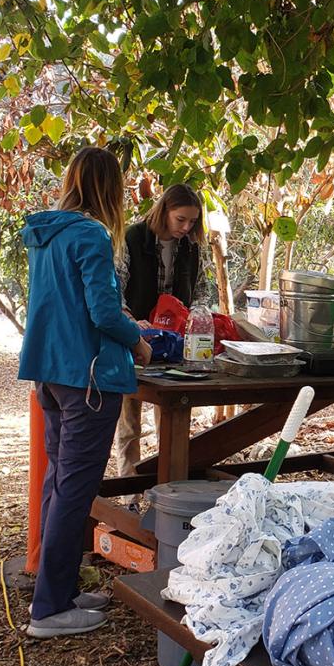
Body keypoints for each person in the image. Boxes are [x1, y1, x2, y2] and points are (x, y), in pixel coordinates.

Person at [17, 147, 152, 638]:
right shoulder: (91, 233)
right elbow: (100, 311)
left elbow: (65, 304)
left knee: (61, 484)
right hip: (90, 378)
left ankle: (60, 591)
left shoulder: (44, 233)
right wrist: (136, 340)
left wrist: (119, 321)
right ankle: (50, 610)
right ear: (109, 189)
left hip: (51, 372)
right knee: (75, 490)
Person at [113, 183, 205, 476]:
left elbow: (202, 289)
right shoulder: (133, 237)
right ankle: (130, 490)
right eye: (181, 219)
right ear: (164, 210)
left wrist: (199, 315)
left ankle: (168, 483)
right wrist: (129, 320)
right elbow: (115, 285)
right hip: (134, 339)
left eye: (192, 221)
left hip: (176, 344)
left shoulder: (191, 245)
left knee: (172, 414)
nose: (186, 226)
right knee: (130, 421)